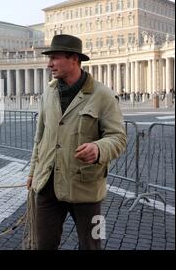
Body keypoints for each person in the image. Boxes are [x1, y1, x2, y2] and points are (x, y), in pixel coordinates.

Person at [25, 34, 126, 250]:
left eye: (55, 58)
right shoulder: (48, 92)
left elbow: (118, 138)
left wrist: (99, 149)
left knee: (92, 245)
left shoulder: (103, 95)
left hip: (86, 188)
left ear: (74, 59)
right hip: (47, 185)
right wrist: (33, 172)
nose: (49, 64)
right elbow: (40, 137)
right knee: (43, 245)